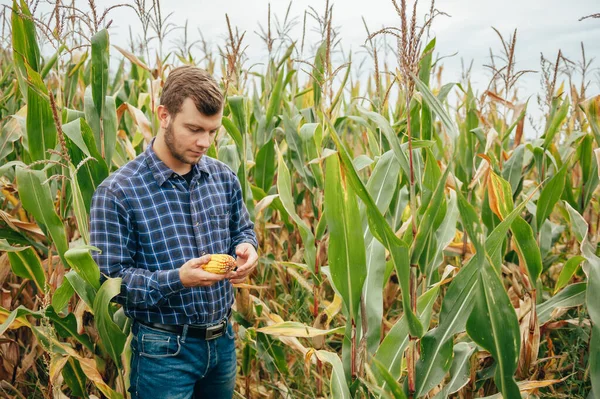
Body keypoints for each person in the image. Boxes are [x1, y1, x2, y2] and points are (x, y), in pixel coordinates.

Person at [90, 65, 258, 399]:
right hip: (163, 350)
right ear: (164, 115)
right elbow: (110, 284)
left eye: (212, 131)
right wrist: (178, 278)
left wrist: (246, 248)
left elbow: (242, 229)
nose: (204, 142)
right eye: (194, 129)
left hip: (222, 342)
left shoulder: (224, 178)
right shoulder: (119, 192)